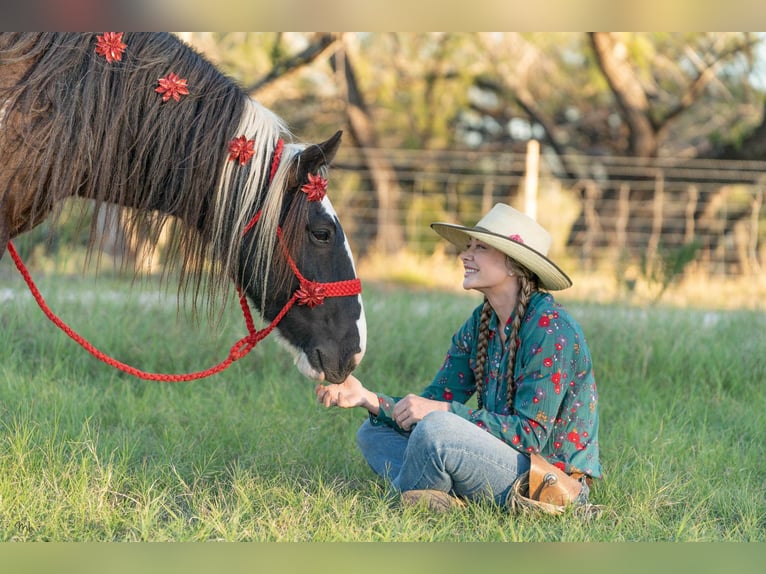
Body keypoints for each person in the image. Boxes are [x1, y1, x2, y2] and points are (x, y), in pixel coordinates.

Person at [315, 203, 601, 511]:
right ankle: (447, 500)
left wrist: (442, 412)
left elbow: (529, 436)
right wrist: (367, 398)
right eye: (468, 247)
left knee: (436, 430)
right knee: (373, 433)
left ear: (513, 264)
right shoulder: (482, 322)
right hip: (498, 462)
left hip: (548, 484)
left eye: (480, 248)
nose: (465, 255)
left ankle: (397, 505)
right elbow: (430, 403)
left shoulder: (550, 329)